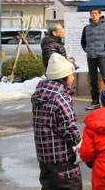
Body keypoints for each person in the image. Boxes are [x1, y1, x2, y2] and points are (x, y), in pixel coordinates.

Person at [32, 53, 82, 189]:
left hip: (44, 157)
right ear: (63, 77)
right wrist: (78, 144)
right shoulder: (61, 97)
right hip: (62, 158)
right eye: (71, 74)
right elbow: (69, 128)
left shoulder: (39, 94)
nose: (73, 77)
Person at [80, 7, 105, 111]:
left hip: (101, 56)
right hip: (91, 57)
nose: (94, 15)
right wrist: (87, 49)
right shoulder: (86, 28)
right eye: (92, 13)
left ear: (99, 15)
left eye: (95, 13)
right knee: (93, 81)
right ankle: (95, 102)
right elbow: (83, 42)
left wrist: (104, 47)